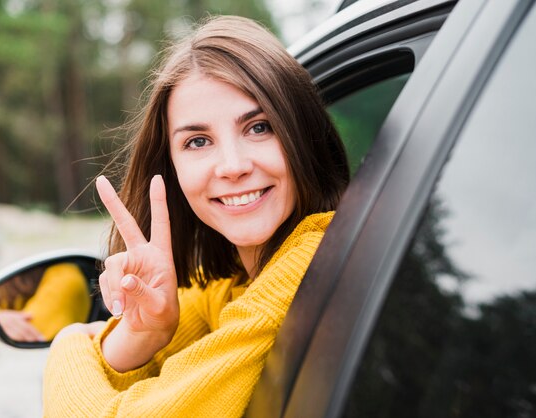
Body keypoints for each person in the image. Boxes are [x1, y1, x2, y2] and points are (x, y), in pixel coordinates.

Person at [44, 15, 349, 417]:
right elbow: (128, 362)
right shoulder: (232, 281)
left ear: (302, 133)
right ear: (171, 170)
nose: (232, 166)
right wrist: (144, 331)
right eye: (198, 141)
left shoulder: (309, 260)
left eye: (259, 127)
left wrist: (67, 341)